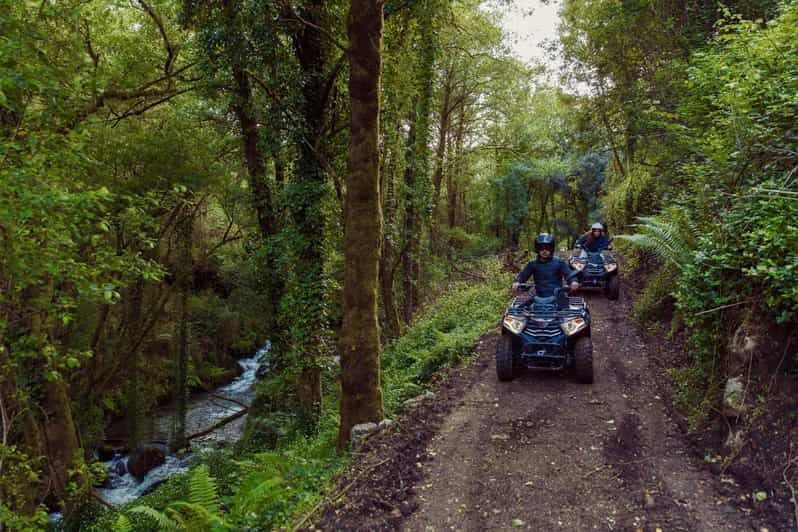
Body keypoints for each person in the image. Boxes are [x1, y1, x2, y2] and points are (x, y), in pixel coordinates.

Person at [511, 233, 580, 297]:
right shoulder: (532, 264)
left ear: (551, 248)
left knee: (568, 309)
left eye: (547, 248)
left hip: (557, 295)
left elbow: (569, 274)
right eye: (541, 248)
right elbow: (523, 276)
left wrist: (573, 281)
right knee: (521, 309)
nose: (544, 251)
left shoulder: (559, 262)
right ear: (537, 249)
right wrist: (517, 282)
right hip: (538, 296)